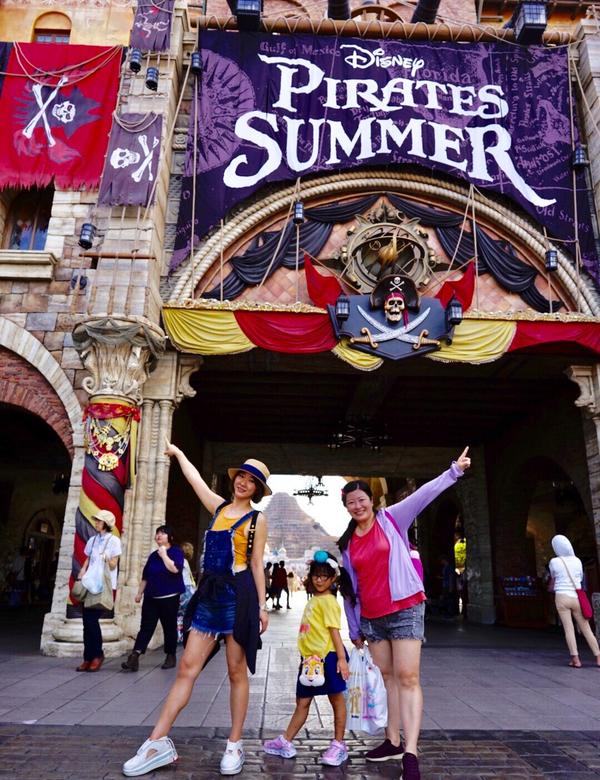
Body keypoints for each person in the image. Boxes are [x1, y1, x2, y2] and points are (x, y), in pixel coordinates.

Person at [122, 448, 270, 778]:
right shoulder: (218, 508)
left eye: (251, 481)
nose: (243, 482)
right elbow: (195, 480)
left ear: (257, 489)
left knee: (236, 672)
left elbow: (257, 564)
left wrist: (261, 606)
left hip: (238, 597)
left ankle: (234, 744)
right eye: (241, 476)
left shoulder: (257, 520)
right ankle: (156, 742)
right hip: (208, 598)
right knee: (187, 668)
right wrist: (177, 453)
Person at [338, 448, 471, 780]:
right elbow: (349, 590)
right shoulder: (347, 544)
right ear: (346, 507)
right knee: (388, 679)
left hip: (404, 608)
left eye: (362, 500)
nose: (358, 506)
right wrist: (354, 628)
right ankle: (392, 741)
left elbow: (424, 494)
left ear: (372, 501)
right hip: (372, 618)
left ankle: (410, 752)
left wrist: (454, 471)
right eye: (351, 502)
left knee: (408, 677)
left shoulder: (391, 519)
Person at [263, 551, 351, 766]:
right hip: (310, 661)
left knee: (336, 699)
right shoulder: (317, 599)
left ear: (333, 578)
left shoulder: (329, 602)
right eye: (316, 575)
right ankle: (286, 741)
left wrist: (341, 659)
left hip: (328, 657)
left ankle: (339, 744)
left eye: (324, 576)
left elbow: (334, 632)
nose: (319, 580)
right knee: (302, 701)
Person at [122, 526, 185, 672]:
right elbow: (146, 577)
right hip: (151, 597)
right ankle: (135, 656)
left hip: (169, 597)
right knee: (146, 627)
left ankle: (170, 655)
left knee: (169, 627)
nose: (158, 536)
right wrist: (139, 593)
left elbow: (175, 569)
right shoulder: (153, 556)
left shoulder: (176, 552)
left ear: (170, 537)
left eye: (163, 533)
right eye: (157, 533)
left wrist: (164, 555)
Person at [76, 510, 122, 672]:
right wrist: (82, 571)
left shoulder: (114, 540)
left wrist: (106, 557)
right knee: (86, 622)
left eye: (99, 521)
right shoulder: (93, 540)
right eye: (96, 520)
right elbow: (88, 558)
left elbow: (114, 565)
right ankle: (88, 657)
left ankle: (97, 655)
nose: (96, 523)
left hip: (102, 585)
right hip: (90, 582)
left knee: (91, 620)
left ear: (106, 524)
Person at [548, 534, 600, 668]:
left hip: (561, 596)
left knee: (569, 629)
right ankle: (598, 656)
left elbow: (553, 576)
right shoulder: (577, 561)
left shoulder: (554, 561)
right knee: (586, 628)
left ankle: (576, 659)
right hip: (576, 596)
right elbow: (580, 577)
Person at [177, 542, 197, 643]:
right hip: (187, 590)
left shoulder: (182, 561)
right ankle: (185, 635)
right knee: (187, 614)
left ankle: (180, 636)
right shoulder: (184, 561)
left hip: (183, 589)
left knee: (180, 615)